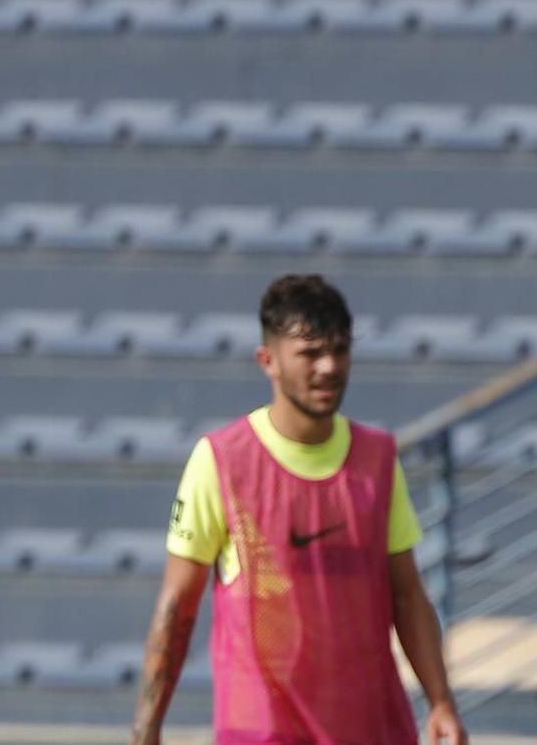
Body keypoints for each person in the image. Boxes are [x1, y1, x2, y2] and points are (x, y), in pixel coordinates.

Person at [129, 274, 467, 745]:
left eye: (340, 350)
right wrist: (147, 729)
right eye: (309, 353)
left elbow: (407, 595)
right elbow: (177, 607)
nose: (329, 366)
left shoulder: (377, 460)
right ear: (267, 361)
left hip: (372, 731)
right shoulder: (223, 461)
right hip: (262, 734)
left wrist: (441, 701)